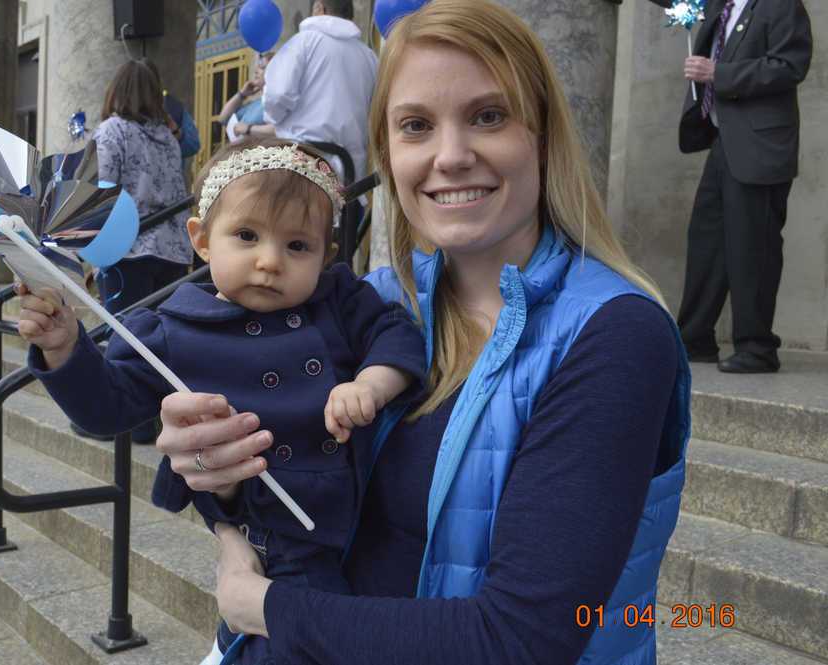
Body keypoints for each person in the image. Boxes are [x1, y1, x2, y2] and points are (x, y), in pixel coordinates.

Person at [155, 1, 692, 663]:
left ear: (543, 135)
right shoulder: (370, 304)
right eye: (415, 125)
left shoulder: (617, 335)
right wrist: (223, 472)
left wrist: (267, 607)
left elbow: (521, 640)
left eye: (488, 116)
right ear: (386, 152)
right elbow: (283, 492)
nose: (451, 155)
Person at [17, 138, 426, 664]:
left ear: (327, 254)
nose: (270, 261)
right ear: (203, 240)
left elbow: (396, 334)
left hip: (368, 524)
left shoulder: (340, 302)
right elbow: (106, 408)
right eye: (247, 236)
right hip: (278, 541)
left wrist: (371, 384)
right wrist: (65, 349)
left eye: (298, 246)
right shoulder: (171, 330)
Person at [647, 0, 812, 373]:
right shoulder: (718, 3)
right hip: (723, 141)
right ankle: (694, 340)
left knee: (753, 245)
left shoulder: (781, 5)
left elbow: (790, 66)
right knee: (707, 242)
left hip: (760, 146)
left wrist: (719, 73)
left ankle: (757, 347)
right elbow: (676, 2)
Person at [87, 58, 194, 442]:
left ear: (115, 90)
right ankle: (148, 421)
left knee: (123, 338)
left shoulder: (112, 131)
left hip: (128, 246)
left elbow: (100, 190)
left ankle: (118, 421)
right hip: (171, 249)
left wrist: (90, 250)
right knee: (155, 342)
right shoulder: (167, 136)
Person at [262, 0, 378, 184]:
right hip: (350, 172)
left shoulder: (303, 42)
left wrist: (274, 120)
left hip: (302, 162)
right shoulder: (370, 57)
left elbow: (277, 95)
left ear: (320, 9)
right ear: (351, 17)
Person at [218, 52, 276, 143]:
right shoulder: (255, 104)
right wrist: (242, 95)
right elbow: (223, 118)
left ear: (274, 71)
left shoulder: (279, 101)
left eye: (262, 67)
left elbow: (284, 129)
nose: (256, 71)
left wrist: (249, 129)